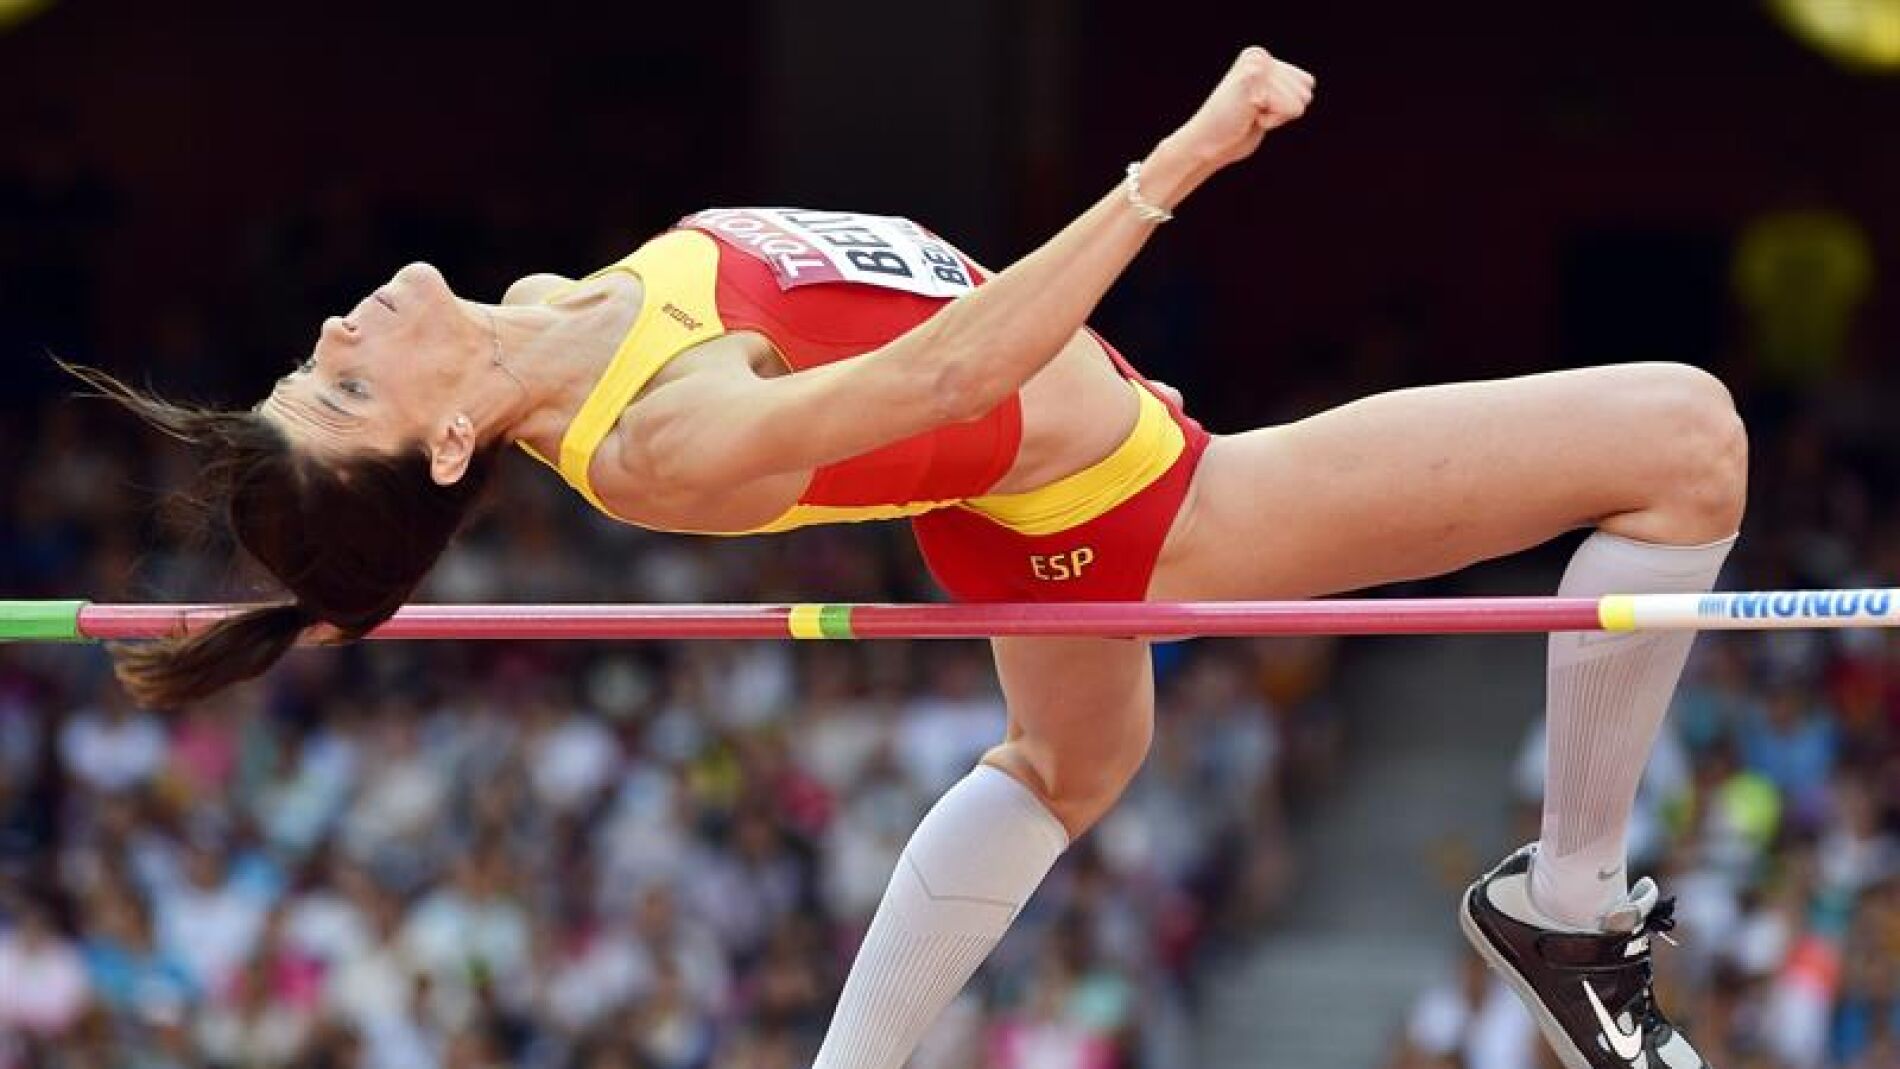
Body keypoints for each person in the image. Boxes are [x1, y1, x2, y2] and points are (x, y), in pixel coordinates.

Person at [73, 46, 1743, 1069]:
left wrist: (305, 556)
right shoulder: (662, 442)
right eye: (344, 381)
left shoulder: (534, 322)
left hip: (1015, 509)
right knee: (1688, 443)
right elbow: (954, 373)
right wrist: (1181, 163)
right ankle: (1571, 906)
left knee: (1074, 761)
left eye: (314, 360)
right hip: (1143, 503)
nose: (333, 325)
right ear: (443, 447)